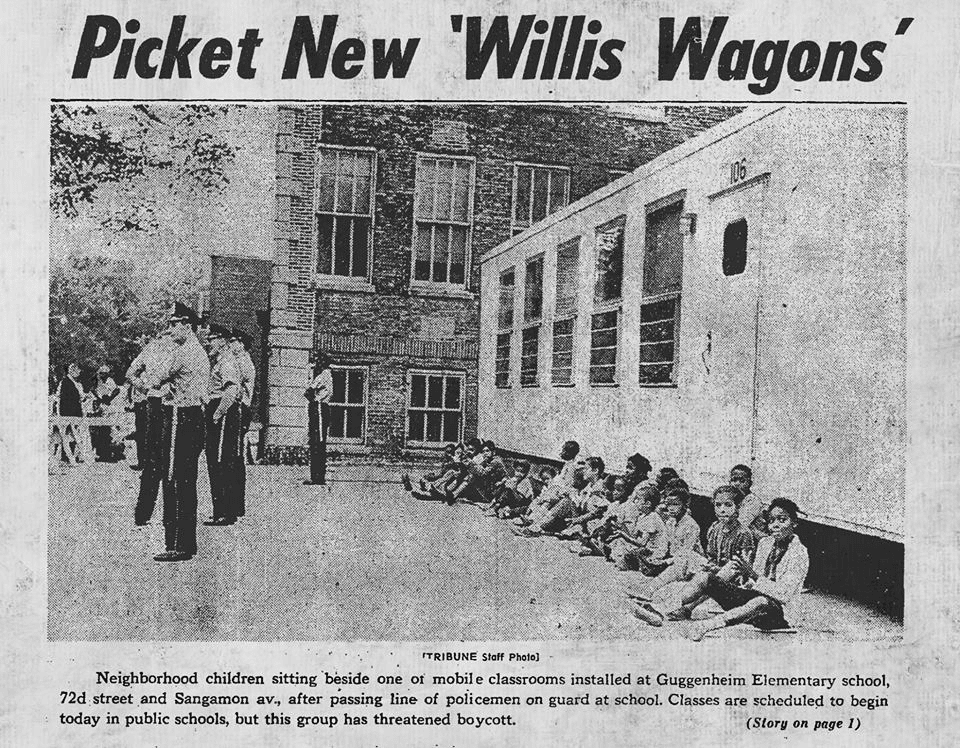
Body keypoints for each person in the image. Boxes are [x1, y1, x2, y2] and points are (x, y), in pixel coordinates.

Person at [687, 498, 809, 641]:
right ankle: (674, 607)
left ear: (794, 523)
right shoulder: (765, 543)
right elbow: (753, 581)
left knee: (761, 602)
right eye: (771, 521)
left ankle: (708, 625)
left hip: (778, 614)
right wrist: (743, 577)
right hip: (754, 601)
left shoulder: (799, 553)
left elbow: (784, 595)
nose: (775, 525)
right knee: (708, 578)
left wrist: (752, 574)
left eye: (782, 520)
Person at [147, 302, 210, 562]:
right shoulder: (199, 352)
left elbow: (155, 378)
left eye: (174, 324)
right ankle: (186, 542)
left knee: (173, 479)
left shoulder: (183, 353)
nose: (171, 329)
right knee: (186, 481)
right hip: (193, 416)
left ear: (187, 325)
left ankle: (176, 544)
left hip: (180, 417)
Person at [664, 485, 757, 622]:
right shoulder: (714, 528)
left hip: (735, 581)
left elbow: (742, 568)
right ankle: (657, 591)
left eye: (728, 505)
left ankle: (686, 608)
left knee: (728, 567)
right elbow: (712, 557)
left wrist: (716, 570)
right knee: (688, 557)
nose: (722, 509)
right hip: (716, 573)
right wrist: (710, 566)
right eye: (718, 505)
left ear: (738, 507)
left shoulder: (743, 533)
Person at [126, 329, 174, 525]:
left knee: (153, 460)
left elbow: (130, 374)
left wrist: (143, 387)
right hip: (166, 405)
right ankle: (167, 516)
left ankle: (143, 513)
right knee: (168, 460)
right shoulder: (174, 351)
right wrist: (148, 388)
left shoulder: (149, 350)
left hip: (152, 403)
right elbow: (130, 374)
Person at [204, 324, 244, 526]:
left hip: (223, 414)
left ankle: (224, 512)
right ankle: (224, 510)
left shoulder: (226, 362)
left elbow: (231, 391)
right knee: (219, 462)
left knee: (220, 461)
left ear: (221, 340)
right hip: (220, 411)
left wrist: (217, 413)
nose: (208, 342)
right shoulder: (222, 361)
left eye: (211, 339)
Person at [230, 330, 256, 518]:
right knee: (234, 455)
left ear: (241, 343)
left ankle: (237, 504)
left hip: (241, 408)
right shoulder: (239, 361)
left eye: (234, 342)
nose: (231, 345)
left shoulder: (243, 363)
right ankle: (236, 503)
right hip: (239, 408)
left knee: (236, 456)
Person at [304, 353, 333, 487]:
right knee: (317, 442)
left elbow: (308, 392)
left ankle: (318, 477)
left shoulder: (323, 375)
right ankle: (316, 475)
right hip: (319, 407)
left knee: (318, 442)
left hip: (319, 407)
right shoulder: (325, 374)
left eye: (318, 361)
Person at [54, 363, 88, 462]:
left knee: (72, 436)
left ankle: (72, 456)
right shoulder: (66, 382)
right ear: (72, 370)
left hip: (73, 413)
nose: (79, 373)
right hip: (68, 413)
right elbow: (67, 399)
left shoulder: (74, 382)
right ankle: (68, 457)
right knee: (67, 436)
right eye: (77, 370)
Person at [90, 364, 120, 461]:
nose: (102, 375)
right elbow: (94, 391)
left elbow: (116, 390)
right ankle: (101, 453)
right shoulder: (99, 382)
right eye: (101, 374)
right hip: (101, 407)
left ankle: (107, 453)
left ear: (107, 374)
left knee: (107, 430)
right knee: (100, 430)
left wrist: (110, 398)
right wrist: (99, 398)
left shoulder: (110, 381)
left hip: (108, 408)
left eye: (104, 374)